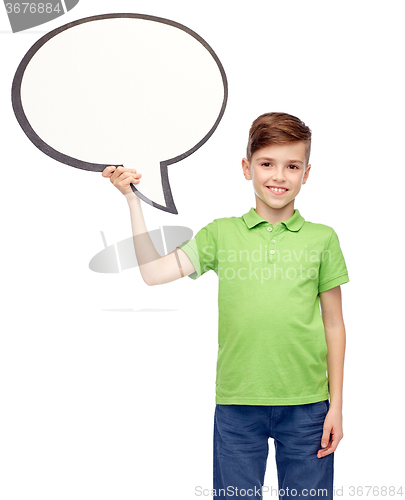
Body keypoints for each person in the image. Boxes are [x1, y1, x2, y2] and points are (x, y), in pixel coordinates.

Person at [102, 112, 349, 499]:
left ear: (306, 172)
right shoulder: (221, 234)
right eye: (267, 163)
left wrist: (335, 405)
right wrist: (132, 200)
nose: (279, 176)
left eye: (292, 166)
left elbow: (334, 324)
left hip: (307, 408)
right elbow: (152, 273)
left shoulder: (323, 239)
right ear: (247, 168)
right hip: (237, 403)